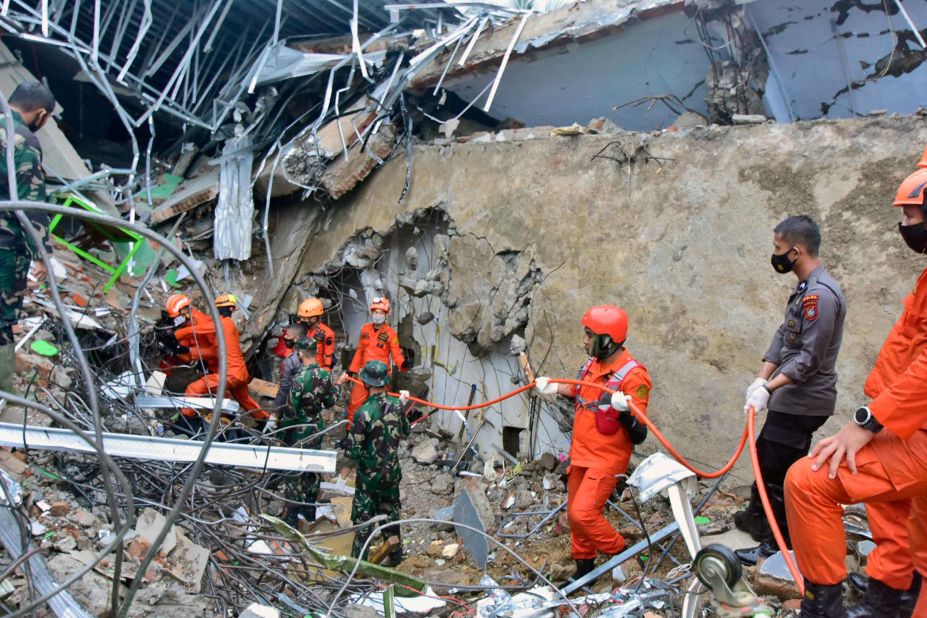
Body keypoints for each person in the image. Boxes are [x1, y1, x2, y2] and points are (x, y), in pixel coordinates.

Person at [784, 156, 927, 617]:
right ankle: (889, 599)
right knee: (903, 523)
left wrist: (867, 422)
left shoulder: (822, 293)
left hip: (908, 424)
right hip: (900, 419)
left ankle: (826, 605)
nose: (903, 227)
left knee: (807, 481)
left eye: (910, 217)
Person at [734, 215, 846, 565]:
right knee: (769, 459)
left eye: (778, 249)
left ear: (796, 251)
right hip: (790, 396)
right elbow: (784, 336)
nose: (775, 254)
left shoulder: (821, 297)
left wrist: (769, 387)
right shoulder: (804, 291)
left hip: (805, 401)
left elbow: (809, 360)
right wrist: (761, 377)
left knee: (777, 473)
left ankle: (777, 546)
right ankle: (760, 519)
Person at [534, 305, 651, 582]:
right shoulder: (592, 365)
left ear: (607, 338)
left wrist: (623, 411)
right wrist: (552, 386)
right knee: (575, 519)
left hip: (606, 459)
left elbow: (640, 434)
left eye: (589, 335)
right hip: (582, 454)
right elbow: (577, 392)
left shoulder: (634, 377)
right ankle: (584, 570)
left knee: (583, 514)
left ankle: (622, 552)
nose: (584, 341)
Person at [0, 82, 55, 409]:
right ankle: (3, 394)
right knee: (2, 320)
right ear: (42, 115)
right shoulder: (24, 140)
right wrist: (42, 254)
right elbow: (30, 203)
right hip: (5, 246)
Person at [342, 360, 409, 564]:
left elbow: (353, 452)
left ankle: (357, 567)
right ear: (385, 382)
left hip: (369, 477)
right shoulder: (398, 406)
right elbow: (406, 432)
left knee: (364, 522)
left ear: (365, 383)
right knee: (390, 514)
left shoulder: (363, 413)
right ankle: (396, 558)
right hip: (392, 474)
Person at [282, 335, 335, 527]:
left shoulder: (299, 379)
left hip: (299, 430)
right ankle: (309, 511)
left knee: (294, 471)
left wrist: (282, 431)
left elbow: (290, 410)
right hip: (317, 428)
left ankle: (292, 518)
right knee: (313, 468)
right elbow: (330, 402)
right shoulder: (326, 376)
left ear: (300, 353)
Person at [341, 297, 407, 426]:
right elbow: (360, 350)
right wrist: (352, 370)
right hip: (364, 374)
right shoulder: (365, 329)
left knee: (380, 404)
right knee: (356, 402)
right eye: (375, 312)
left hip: (381, 377)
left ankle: (377, 429)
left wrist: (403, 364)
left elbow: (396, 353)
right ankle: (351, 430)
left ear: (386, 315)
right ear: (371, 313)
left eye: (381, 313)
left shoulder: (390, 334)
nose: (378, 315)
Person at [270, 322, 307, 423]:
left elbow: (284, 389)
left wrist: (275, 413)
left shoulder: (290, 361)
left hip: (293, 406)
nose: (285, 337)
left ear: (296, 338)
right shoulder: (310, 354)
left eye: (288, 335)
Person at [297, 297, 336, 370]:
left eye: (304, 318)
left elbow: (328, 359)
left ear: (314, 319)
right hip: (298, 369)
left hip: (315, 371)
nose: (301, 320)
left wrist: (323, 376)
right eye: (301, 318)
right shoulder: (299, 328)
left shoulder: (327, 333)